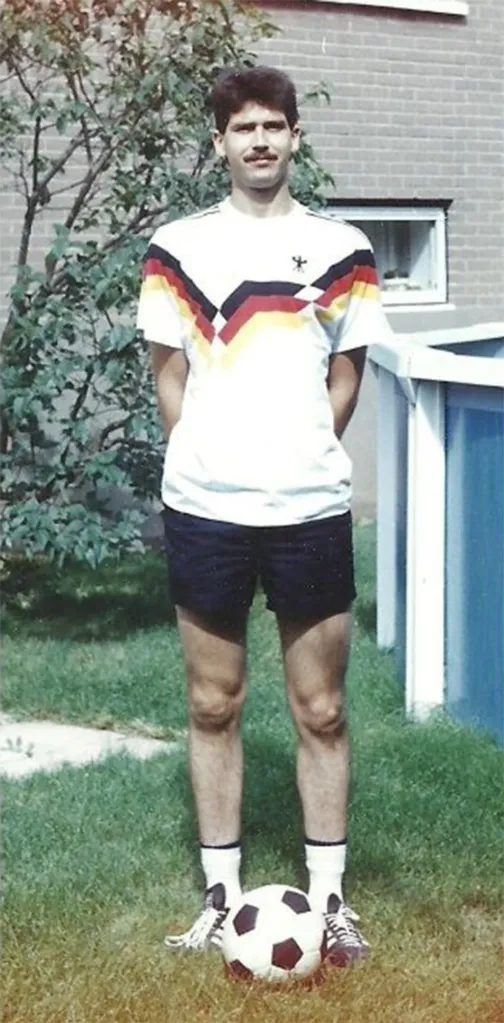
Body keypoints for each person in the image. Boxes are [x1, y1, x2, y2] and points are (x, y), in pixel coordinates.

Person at [136, 65, 393, 966]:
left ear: (293, 137)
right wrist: (209, 452)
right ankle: (220, 896)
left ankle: (328, 902)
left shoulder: (343, 247)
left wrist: (298, 453)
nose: (258, 141)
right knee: (214, 701)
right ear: (219, 141)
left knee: (320, 707)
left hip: (310, 508)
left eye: (273, 127)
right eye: (241, 128)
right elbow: (170, 372)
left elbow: (347, 373)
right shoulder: (176, 248)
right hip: (206, 504)